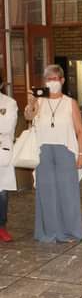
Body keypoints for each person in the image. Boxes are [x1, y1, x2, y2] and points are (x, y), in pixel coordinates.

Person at [24, 64, 82, 243]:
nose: (52, 82)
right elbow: (28, 117)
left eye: (55, 79)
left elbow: (80, 130)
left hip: (65, 150)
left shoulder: (70, 102)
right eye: (48, 79)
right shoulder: (40, 101)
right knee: (46, 192)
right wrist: (31, 102)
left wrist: (81, 154)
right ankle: (49, 232)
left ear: (62, 80)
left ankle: (70, 232)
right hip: (43, 151)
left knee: (68, 193)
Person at [0, 76, 18, 242]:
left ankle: (2, 226)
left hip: (2, 150)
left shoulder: (9, 103)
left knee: (2, 192)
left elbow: (7, 127)